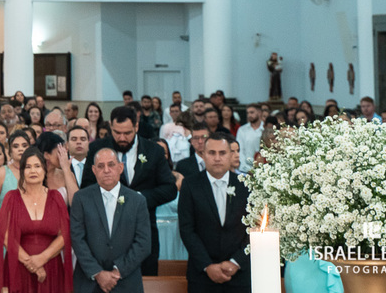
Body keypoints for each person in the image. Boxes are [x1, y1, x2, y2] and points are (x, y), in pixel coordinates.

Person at [81, 106, 176, 277]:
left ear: (137, 127)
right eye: (117, 133)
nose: (122, 138)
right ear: (110, 127)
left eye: (127, 133)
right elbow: (87, 186)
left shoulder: (153, 151)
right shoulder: (97, 149)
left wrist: (138, 198)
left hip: (143, 233)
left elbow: (169, 189)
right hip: (105, 236)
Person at [177, 134, 251, 293]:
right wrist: (207, 265)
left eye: (222, 153)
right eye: (212, 153)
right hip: (202, 276)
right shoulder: (190, 185)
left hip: (239, 276)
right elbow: (186, 229)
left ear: (231, 155)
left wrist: (236, 262)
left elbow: (253, 229)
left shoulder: (245, 186)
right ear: (203, 155)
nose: (217, 158)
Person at [70, 147, 151, 293]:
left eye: (111, 165)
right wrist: (97, 273)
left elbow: (143, 243)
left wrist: (118, 271)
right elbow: (77, 239)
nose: (106, 170)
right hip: (89, 282)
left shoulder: (137, 200)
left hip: (126, 282)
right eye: (101, 166)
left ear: (120, 167)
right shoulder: (81, 198)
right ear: (94, 170)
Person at [0, 149, 71, 293]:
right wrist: (31, 263)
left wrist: (42, 258)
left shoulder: (56, 198)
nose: (33, 171)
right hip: (18, 267)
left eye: (37, 166)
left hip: (50, 267)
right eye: (28, 167)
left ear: (44, 170)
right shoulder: (12, 198)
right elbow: (5, 235)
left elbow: (64, 234)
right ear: (22, 171)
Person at [236, 105, 263, 171]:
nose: (249, 115)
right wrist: (244, 166)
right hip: (245, 167)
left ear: (259, 113)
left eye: (252, 112)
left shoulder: (265, 128)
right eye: (247, 113)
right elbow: (240, 150)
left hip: (264, 167)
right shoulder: (242, 130)